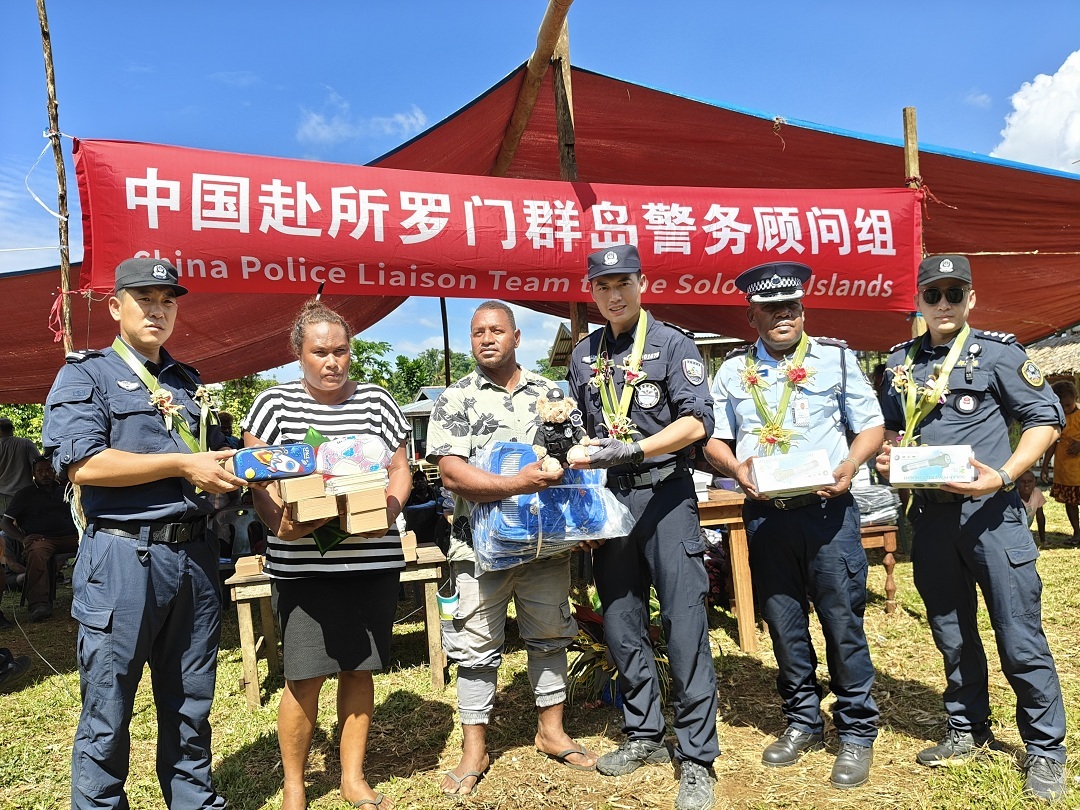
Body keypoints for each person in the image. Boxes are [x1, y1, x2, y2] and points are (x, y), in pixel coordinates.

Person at [41, 257, 244, 810]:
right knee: (108, 709)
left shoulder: (187, 381)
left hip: (195, 556)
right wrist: (181, 465)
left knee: (191, 701)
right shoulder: (85, 375)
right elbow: (82, 465)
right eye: (145, 300)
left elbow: (213, 456)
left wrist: (257, 464)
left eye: (167, 301)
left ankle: (193, 801)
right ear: (115, 307)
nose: (158, 311)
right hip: (123, 558)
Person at [875, 254, 1068, 801]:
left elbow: (1045, 419)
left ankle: (1045, 749)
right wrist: (889, 458)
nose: (943, 304)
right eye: (933, 294)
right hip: (932, 518)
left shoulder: (999, 354)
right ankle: (968, 728)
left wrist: (1004, 475)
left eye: (954, 294)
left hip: (992, 516)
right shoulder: (899, 361)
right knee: (952, 632)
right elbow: (891, 428)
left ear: (971, 299)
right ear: (918, 300)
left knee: (1019, 634)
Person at [704, 261, 882, 790]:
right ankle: (803, 718)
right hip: (767, 517)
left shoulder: (837, 359)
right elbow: (714, 438)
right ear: (752, 316)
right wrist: (735, 468)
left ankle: (856, 729)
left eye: (791, 306)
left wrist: (850, 464)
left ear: (803, 310)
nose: (783, 315)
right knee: (782, 621)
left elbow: (871, 425)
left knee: (842, 621)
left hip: (828, 513)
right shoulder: (732, 372)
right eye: (770, 308)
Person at [565, 245, 719, 810]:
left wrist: (636, 449)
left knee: (684, 623)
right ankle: (644, 733)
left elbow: (697, 422)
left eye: (623, 283)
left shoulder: (673, 344)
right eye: (603, 286)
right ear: (592, 291)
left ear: (641, 283)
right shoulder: (583, 355)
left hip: (666, 495)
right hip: (610, 502)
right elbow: (578, 429)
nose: (614, 295)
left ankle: (697, 757)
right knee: (622, 621)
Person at [243, 299, 411, 810]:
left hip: (370, 561)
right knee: (303, 676)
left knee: (359, 669)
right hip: (303, 568)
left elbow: (400, 468)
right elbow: (256, 477)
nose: (332, 362)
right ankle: (295, 785)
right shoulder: (273, 405)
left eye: (340, 351)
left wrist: (388, 511)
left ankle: (352, 777)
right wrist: (279, 522)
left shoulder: (378, 402)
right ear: (299, 353)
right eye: (320, 352)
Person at [427, 300, 598, 797]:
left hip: (544, 544)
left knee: (550, 636)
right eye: (478, 332)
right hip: (478, 549)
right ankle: (474, 749)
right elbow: (451, 472)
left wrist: (583, 499)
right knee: (475, 647)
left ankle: (551, 731)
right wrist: (517, 484)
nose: (486, 339)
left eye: (496, 330)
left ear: (516, 337)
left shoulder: (550, 393)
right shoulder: (456, 398)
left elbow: (577, 451)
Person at [1, 456, 80, 621]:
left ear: (54, 471)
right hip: (42, 539)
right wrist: (23, 538)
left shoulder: (66, 490)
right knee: (36, 551)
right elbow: (5, 523)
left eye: (49, 470)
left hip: (71, 537)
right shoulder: (25, 494)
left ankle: (93, 595)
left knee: (95, 542)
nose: (45, 474)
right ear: (33, 473)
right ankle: (39, 605)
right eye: (40, 471)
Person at [1040, 380, 1080, 544]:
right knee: (1070, 503)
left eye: (1068, 405)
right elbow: (1052, 443)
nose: (1065, 409)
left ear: (1076, 398)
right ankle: (1077, 533)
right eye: (1061, 406)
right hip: (1065, 470)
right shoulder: (1057, 419)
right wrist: (1045, 466)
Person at [0, 417, 37, 516]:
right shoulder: (25, 443)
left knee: (5, 522)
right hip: (25, 493)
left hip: (2, 495)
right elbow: (38, 465)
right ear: (12, 429)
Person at [1016, 470, 1047, 546]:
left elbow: (1040, 517)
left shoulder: (1037, 493)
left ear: (1035, 483)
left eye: (1029, 481)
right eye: (1023, 481)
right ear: (1017, 483)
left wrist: (1043, 539)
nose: (1026, 484)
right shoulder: (1013, 496)